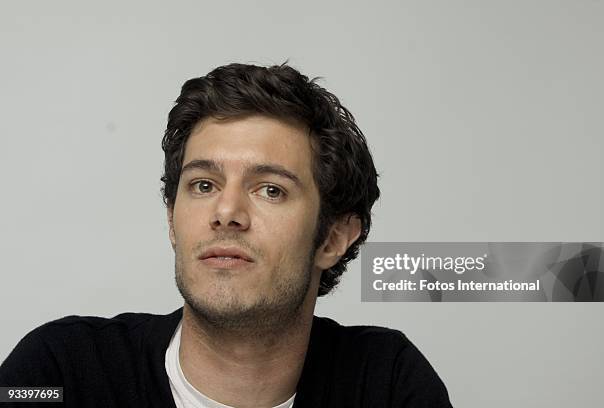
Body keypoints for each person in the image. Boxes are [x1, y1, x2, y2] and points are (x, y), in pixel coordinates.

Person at [0, 62, 453, 407]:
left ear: (334, 238)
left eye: (270, 190)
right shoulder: (60, 372)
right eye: (203, 185)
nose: (226, 213)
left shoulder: (387, 384)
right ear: (172, 219)